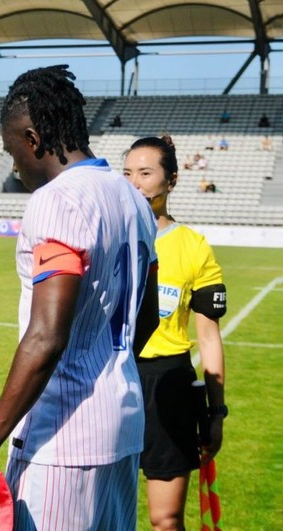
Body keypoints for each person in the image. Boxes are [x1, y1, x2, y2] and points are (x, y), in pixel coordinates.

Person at [0, 65, 159, 530]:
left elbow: (46, 336)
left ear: (32, 139)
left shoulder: (58, 200)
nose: (15, 166)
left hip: (63, 439)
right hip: (124, 426)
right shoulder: (134, 201)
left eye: (13, 151)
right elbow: (145, 321)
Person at [123, 135, 227, 531]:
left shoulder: (193, 247)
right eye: (128, 172)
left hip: (168, 383)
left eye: (146, 173)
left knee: (165, 520)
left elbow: (209, 337)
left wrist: (216, 411)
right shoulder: (106, 236)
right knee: (99, 512)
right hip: (115, 378)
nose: (135, 182)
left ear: (171, 180)